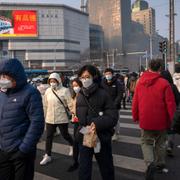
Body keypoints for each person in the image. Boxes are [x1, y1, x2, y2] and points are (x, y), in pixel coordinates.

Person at [0, 58, 44, 180]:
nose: (3, 79)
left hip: (21, 152)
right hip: (3, 150)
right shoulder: (2, 93)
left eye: (6, 76)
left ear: (16, 75)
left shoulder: (30, 93)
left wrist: (24, 148)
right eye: (1, 75)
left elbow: (37, 122)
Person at [132, 59, 176, 180]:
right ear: (160, 69)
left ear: (148, 67)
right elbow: (170, 104)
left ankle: (150, 162)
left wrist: (135, 116)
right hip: (161, 120)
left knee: (146, 142)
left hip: (145, 120)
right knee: (161, 143)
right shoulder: (164, 83)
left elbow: (135, 102)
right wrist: (171, 119)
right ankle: (160, 164)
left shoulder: (140, 82)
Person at [76, 65, 118, 180]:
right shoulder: (80, 94)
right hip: (85, 136)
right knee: (84, 168)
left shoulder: (103, 93)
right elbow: (79, 115)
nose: (85, 79)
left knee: (106, 167)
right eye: (82, 77)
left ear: (94, 77)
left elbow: (113, 116)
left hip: (101, 137)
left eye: (87, 77)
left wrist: (96, 123)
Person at [40, 72, 74, 165]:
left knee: (65, 134)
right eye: (50, 81)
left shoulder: (65, 90)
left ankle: (72, 145)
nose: (52, 83)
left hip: (62, 117)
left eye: (54, 81)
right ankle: (47, 155)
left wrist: (74, 114)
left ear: (58, 81)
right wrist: (44, 116)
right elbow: (45, 105)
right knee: (49, 137)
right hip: (50, 118)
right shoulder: (47, 91)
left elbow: (70, 104)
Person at [161, 70, 180, 156]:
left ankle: (162, 145)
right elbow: (178, 99)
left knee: (162, 129)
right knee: (171, 130)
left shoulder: (160, 86)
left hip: (161, 110)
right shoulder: (173, 86)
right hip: (172, 111)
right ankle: (169, 146)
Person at [101, 68, 123, 141]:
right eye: (106, 74)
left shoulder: (117, 82)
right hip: (105, 106)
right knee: (106, 120)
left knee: (116, 120)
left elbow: (120, 95)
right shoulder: (102, 82)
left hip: (115, 106)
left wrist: (115, 104)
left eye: (109, 74)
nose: (107, 75)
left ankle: (116, 133)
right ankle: (110, 133)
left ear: (112, 74)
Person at [68, 78, 82, 172]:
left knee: (81, 142)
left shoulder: (85, 95)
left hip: (85, 122)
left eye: (77, 85)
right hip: (76, 122)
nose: (75, 87)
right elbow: (72, 108)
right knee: (76, 142)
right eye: (73, 86)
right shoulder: (73, 96)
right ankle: (75, 161)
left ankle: (81, 161)